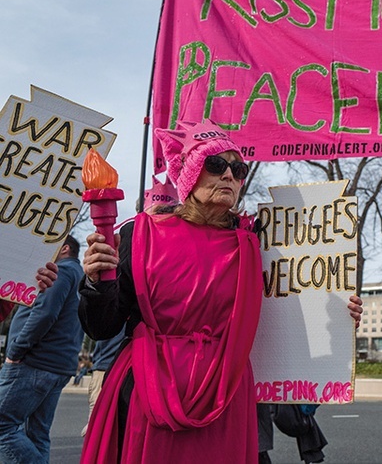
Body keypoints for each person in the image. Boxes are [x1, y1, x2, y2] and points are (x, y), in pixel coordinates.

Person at [65, 120, 363, 463]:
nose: (229, 177)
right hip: (148, 393)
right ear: (189, 175)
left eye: (238, 169)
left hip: (224, 394)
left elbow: (290, 312)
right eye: (216, 165)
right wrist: (95, 282)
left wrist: (340, 315)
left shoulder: (257, 245)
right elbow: (102, 327)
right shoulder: (139, 235)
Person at [0, 235, 84, 464]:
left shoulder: (61, 271)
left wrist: (15, 351)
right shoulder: (79, 276)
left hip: (34, 361)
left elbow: (44, 313)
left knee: (3, 427)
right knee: (37, 434)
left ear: (64, 248)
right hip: (57, 364)